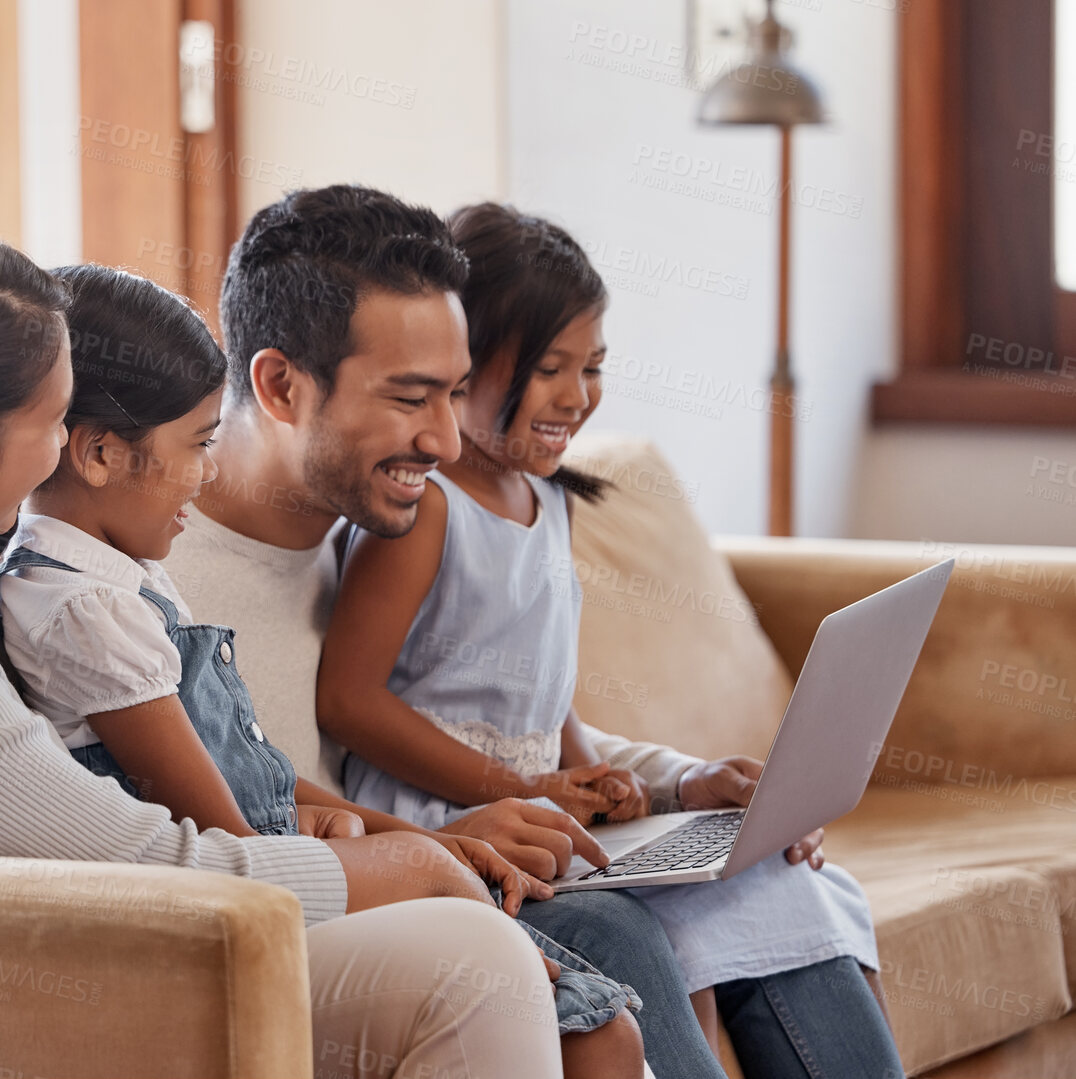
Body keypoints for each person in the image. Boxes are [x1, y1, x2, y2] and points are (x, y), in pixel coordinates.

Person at [0, 223, 567, 1078]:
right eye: (54, 419)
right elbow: (175, 870)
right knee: (473, 959)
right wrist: (415, 857)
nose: (66, 454)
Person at [0, 262, 643, 1076]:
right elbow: (228, 844)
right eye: (198, 444)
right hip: (252, 912)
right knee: (594, 1026)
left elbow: (251, 766)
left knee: (605, 1030)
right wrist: (412, 858)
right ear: (101, 452)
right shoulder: (82, 607)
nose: (209, 471)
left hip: (287, 866)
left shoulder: (122, 565)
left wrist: (418, 839)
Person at [159, 184, 732, 1079]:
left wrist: (671, 780)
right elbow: (217, 830)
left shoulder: (381, 529)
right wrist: (438, 838)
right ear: (279, 385)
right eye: (410, 397)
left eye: (456, 393)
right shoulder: (156, 580)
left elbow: (516, 712)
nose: (447, 442)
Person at [318, 201, 900, 1077]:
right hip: (461, 827)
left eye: (591, 367)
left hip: (546, 815)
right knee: (654, 918)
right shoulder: (429, 509)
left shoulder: (548, 501)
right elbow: (348, 699)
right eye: (548, 367)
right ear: (462, 363)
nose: (576, 396)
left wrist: (617, 776)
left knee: (784, 877)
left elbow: (536, 699)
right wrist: (524, 784)